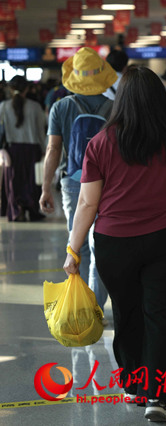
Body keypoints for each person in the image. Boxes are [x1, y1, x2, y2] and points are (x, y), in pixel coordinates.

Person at [62, 65, 166, 422]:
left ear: (121, 99)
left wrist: (73, 249)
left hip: (115, 244)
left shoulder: (100, 142)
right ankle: (158, 398)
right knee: (162, 318)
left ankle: (134, 384)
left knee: (128, 312)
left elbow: (87, 203)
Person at [40, 47, 115, 315]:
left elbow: (53, 150)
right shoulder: (114, 108)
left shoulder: (60, 108)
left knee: (78, 244)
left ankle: (82, 310)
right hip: (109, 184)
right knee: (102, 244)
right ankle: (96, 305)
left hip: (73, 182)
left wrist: (46, 187)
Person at [0, 75, 47, 221]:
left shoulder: (3, 106)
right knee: (32, 183)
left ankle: (16, 210)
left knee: (14, 182)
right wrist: (45, 150)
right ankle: (33, 211)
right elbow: (41, 132)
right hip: (32, 150)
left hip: (12, 150)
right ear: (27, 88)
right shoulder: (35, 107)